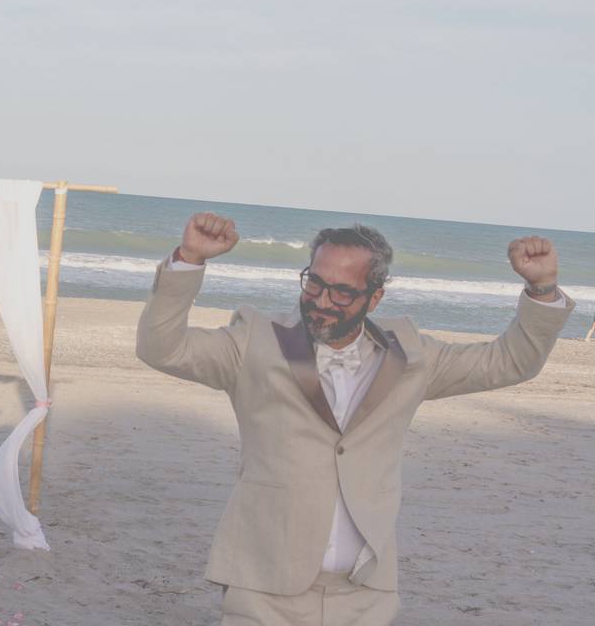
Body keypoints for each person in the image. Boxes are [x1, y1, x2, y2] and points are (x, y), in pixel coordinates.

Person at [136, 213, 574, 626]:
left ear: (375, 296)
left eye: (342, 291)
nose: (322, 301)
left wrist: (542, 290)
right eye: (314, 284)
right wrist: (189, 259)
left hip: (365, 596)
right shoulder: (253, 342)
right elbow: (163, 348)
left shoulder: (412, 356)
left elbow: (510, 362)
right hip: (263, 589)